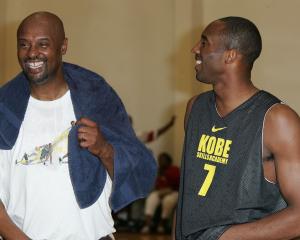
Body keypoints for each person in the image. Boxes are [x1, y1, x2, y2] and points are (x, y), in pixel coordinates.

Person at [0, 11, 157, 240]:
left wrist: (104, 149)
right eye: (24, 44)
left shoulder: (96, 98)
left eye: (43, 44)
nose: (32, 53)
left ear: (63, 46)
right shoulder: (5, 109)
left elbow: (137, 173)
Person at [175, 16, 300, 240]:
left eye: (204, 42)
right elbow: (188, 192)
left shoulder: (277, 120)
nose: (195, 49)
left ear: (230, 55)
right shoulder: (195, 108)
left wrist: (222, 237)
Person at [141, 152, 180, 234]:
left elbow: (178, 183)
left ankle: (161, 225)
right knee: (152, 198)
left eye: (162, 159)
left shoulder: (174, 169)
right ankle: (147, 225)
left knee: (168, 201)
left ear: (168, 160)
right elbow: (156, 185)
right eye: (159, 159)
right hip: (160, 192)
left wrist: (168, 190)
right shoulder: (158, 170)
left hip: (173, 192)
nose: (160, 161)